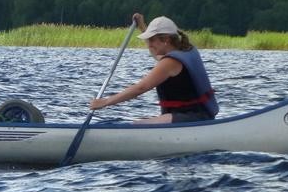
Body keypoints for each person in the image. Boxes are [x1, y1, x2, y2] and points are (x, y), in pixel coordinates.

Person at [89, 13, 219, 124]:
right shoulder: (185, 50)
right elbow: (156, 53)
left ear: (166, 40)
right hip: (199, 115)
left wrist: (105, 102)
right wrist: (142, 27)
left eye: (151, 39)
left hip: (192, 117)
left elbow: (141, 88)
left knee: (137, 125)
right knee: (141, 123)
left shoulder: (170, 62)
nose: (149, 44)